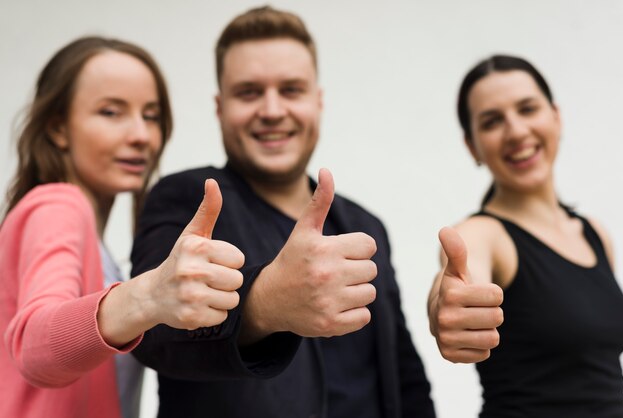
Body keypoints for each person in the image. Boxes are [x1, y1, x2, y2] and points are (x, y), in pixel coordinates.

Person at [131, 6, 435, 418]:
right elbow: (151, 332)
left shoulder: (365, 227)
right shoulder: (186, 200)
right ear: (220, 108)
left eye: (291, 90)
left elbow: (404, 379)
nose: (272, 110)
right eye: (249, 92)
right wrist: (263, 304)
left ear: (318, 101)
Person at [0, 36, 246, 418]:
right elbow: (35, 345)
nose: (140, 135)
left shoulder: (89, 240)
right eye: (111, 112)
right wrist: (147, 297)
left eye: (150, 115)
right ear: (58, 128)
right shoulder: (58, 206)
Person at [428, 54, 623, 417]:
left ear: (556, 116)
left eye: (527, 109)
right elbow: (457, 281)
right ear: (472, 146)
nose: (517, 131)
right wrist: (446, 305)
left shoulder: (595, 234)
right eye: (492, 121)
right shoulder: (483, 234)